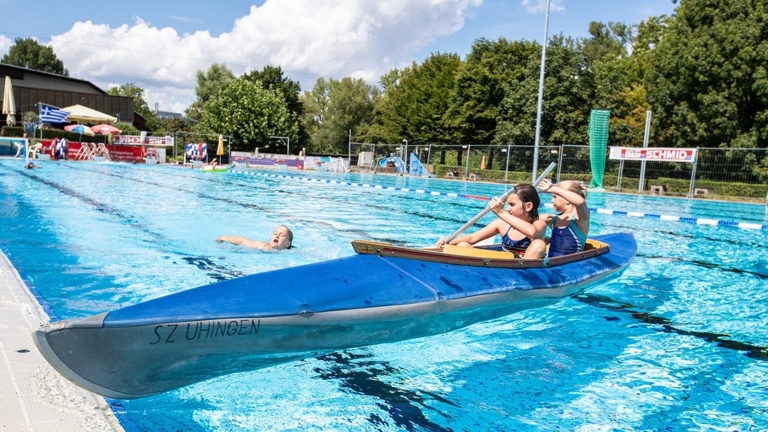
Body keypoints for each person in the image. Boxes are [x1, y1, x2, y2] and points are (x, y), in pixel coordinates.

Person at [436, 184, 547, 258]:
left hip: (523, 270)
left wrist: (500, 212)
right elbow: (473, 238)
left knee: (539, 244)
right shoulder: (502, 224)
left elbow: (532, 232)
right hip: (503, 267)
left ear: (528, 206)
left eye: (512, 205)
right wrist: (447, 242)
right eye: (507, 204)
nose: (507, 208)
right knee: (463, 245)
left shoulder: (538, 224)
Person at [537, 179, 590, 257]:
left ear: (567, 200)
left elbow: (580, 202)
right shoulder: (554, 219)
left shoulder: (580, 219)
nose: (552, 200)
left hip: (568, 265)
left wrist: (554, 188)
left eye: (555, 197)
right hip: (550, 263)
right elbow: (528, 220)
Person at [216, 225, 293, 251]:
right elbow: (242, 241)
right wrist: (223, 238)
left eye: (282, 235)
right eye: (275, 233)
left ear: (287, 244)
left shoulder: (290, 253)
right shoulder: (262, 245)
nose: (277, 236)